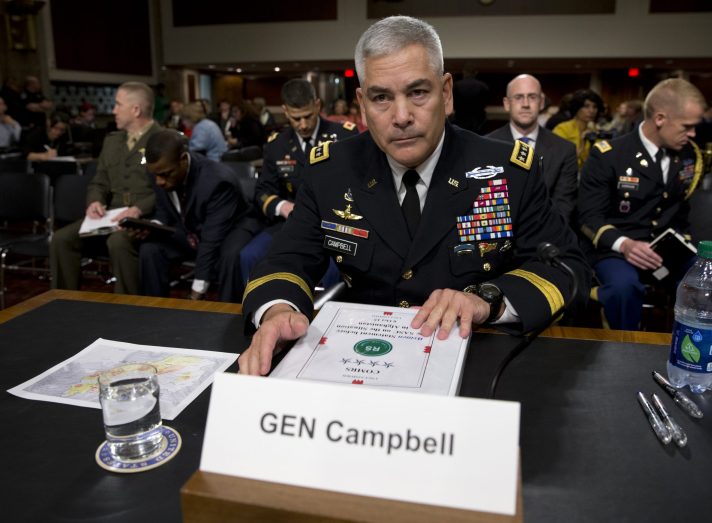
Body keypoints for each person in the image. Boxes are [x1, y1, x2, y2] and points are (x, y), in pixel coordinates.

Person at [238, 16, 589, 376]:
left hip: (475, 359)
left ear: (446, 92)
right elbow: (286, 260)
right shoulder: (331, 171)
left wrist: (487, 299)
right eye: (381, 97)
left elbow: (567, 270)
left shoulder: (508, 171)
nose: (401, 116)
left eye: (418, 92)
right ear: (361, 102)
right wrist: (278, 312)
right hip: (361, 363)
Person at [577, 78, 705, 331]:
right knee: (623, 288)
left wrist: (682, 243)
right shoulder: (609, 155)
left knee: (705, 281)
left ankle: (691, 348)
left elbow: (681, 211)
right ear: (660, 119)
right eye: (686, 126)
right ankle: (625, 348)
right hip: (615, 248)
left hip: (665, 248)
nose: (693, 134)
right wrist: (625, 244)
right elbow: (588, 217)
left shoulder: (689, 155)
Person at [238, 79, 358, 283]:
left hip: (334, 223)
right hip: (291, 222)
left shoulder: (344, 135)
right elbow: (263, 191)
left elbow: (358, 184)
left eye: (308, 116)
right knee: (249, 256)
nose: (303, 125)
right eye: (296, 118)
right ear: (285, 111)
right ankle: (257, 311)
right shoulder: (277, 144)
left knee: (333, 267)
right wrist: (282, 206)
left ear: (317, 106)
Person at [49, 81, 161, 295]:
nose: (113, 111)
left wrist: (138, 209)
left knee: (118, 242)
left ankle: (129, 308)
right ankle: (63, 303)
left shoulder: (163, 139)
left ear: (135, 110)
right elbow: (99, 180)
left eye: (118, 105)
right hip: (109, 214)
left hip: (146, 216)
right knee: (61, 239)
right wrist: (95, 201)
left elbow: (170, 189)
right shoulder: (112, 141)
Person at [138, 130, 260, 302]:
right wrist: (154, 226)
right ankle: (153, 308)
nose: (159, 181)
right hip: (192, 230)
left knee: (231, 255)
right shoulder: (159, 170)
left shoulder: (217, 181)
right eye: (155, 175)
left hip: (230, 231)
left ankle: (225, 316)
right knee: (150, 248)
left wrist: (197, 290)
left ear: (183, 160)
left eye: (165, 175)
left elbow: (212, 239)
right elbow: (164, 208)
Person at [486, 74, 578, 221]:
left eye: (532, 97)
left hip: (548, 236)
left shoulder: (565, 150)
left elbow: (563, 207)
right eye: (518, 97)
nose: (526, 104)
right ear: (506, 103)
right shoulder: (485, 147)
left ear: (541, 102)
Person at [553, 89, 605, 169]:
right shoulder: (562, 129)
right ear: (577, 107)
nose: (591, 111)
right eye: (586, 106)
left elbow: (600, 160)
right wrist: (582, 144)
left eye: (595, 107)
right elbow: (558, 159)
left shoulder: (596, 131)